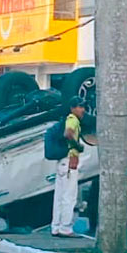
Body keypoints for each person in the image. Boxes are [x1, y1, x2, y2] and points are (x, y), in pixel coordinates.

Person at [51, 96, 86, 238]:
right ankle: (66, 228)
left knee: (59, 196)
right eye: (80, 106)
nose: (82, 110)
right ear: (72, 108)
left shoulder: (66, 119)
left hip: (62, 162)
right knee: (69, 196)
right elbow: (68, 134)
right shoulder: (73, 119)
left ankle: (56, 226)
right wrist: (78, 146)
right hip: (70, 161)